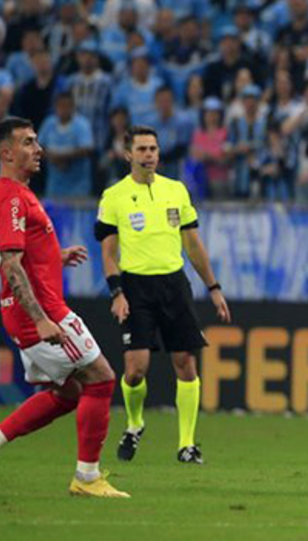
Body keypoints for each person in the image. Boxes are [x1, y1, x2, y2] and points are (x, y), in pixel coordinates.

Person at [0, 117, 128, 498]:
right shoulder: (13, 198)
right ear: (6, 153)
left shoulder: (4, 194)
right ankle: (87, 478)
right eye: (28, 143)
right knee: (101, 379)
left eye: (37, 142)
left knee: (69, 393)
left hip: (28, 309)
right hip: (43, 312)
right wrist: (40, 319)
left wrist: (54, 256)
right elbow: (9, 263)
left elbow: (0, 257)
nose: (39, 149)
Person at [95, 125, 231, 465]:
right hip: (136, 287)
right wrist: (117, 292)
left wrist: (214, 288)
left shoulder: (176, 191)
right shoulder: (114, 196)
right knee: (135, 370)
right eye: (141, 149)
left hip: (174, 285)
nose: (149, 155)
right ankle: (135, 423)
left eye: (153, 149)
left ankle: (186, 445)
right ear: (128, 154)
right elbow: (109, 253)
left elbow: (194, 246)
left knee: (186, 363)